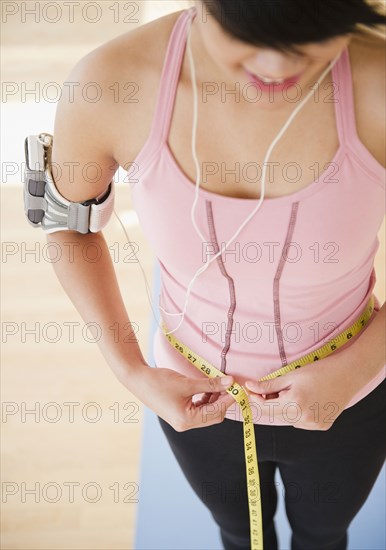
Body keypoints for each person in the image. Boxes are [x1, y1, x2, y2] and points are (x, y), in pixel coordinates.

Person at [47, 1, 386, 548]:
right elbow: (68, 229)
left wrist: (356, 367)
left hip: (356, 396)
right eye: (248, 35)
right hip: (196, 396)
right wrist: (131, 370)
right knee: (236, 532)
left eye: (310, 38)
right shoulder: (110, 84)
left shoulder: (380, 82)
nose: (276, 66)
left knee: (326, 535)